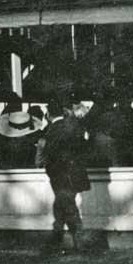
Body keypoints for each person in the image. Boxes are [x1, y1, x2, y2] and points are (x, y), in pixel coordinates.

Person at [40, 96, 90, 252]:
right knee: (62, 206)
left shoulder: (53, 130)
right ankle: (59, 239)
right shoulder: (72, 126)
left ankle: (77, 241)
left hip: (60, 175)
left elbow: (50, 156)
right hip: (74, 174)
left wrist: (51, 172)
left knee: (67, 207)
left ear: (48, 114)